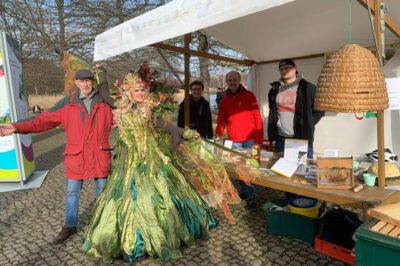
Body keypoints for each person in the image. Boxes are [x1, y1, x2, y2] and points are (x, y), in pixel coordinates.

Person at [82, 73, 219, 264]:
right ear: (128, 93)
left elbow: (168, 127)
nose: (139, 93)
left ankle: (156, 237)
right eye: (135, 90)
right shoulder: (120, 111)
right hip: (128, 164)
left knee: (156, 196)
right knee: (127, 199)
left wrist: (187, 133)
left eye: (142, 90)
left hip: (151, 160)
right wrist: (100, 74)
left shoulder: (149, 111)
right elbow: (105, 94)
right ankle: (132, 241)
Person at [0, 69, 114, 244]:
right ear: (76, 82)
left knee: (103, 192)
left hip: (100, 155)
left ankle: (103, 224)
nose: (85, 84)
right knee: (72, 193)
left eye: (88, 80)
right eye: (82, 81)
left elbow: (125, 119)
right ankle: (69, 225)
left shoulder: (105, 102)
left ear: (93, 82)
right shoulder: (66, 103)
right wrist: (16, 127)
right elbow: (42, 121)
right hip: (76, 157)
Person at [216, 70, 263, 206]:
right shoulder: (224, 99)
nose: (232, 83)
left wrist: (258, 141)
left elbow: (257, 117)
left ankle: (252, 195)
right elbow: (221, 120)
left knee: (252, 168)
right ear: (227, 82)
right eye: (229, 80)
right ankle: (245, 191)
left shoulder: (249, 95)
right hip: (234, 140)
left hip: (250, 140)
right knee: (238, 168)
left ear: (239, 80)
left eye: (234, 80)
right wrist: (218, 134)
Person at [267, 59, 324, 158]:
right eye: (281, 69)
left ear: (295, 69)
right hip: (281, 139)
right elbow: (273, 112)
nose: (284, 71)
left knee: (302, 170)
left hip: (301, 139)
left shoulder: (308, 88)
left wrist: (307, 123)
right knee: (280, 170)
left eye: (287, 68)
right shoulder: (274, 90)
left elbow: (320, 111)